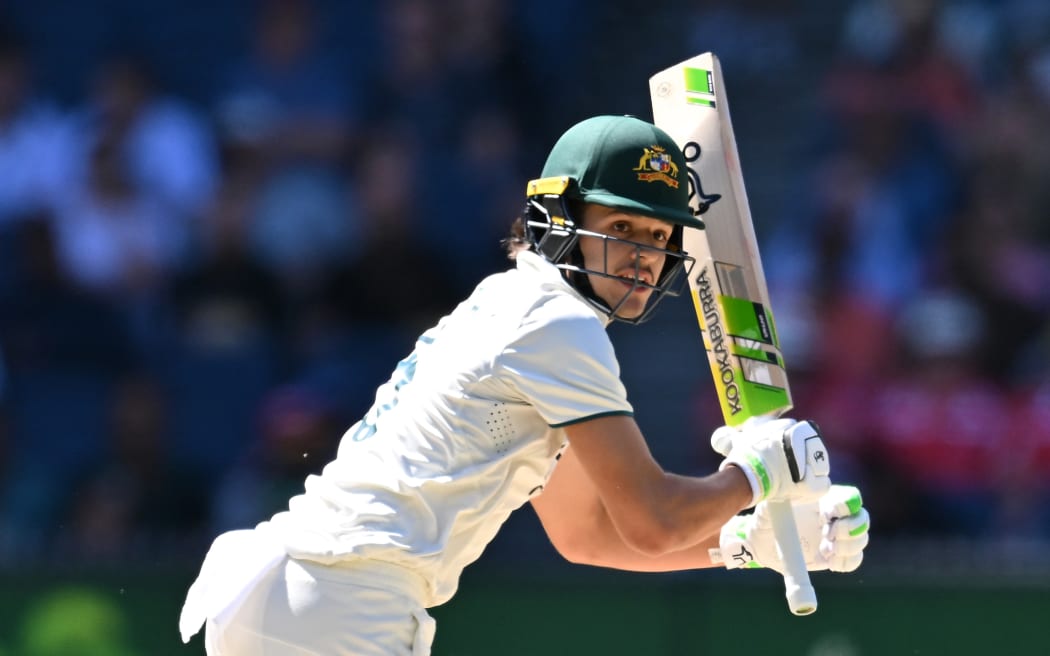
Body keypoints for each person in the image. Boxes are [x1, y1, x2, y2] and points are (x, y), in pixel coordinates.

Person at [179, 115, 870, 655]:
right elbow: (654, 519)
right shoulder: (555, 325)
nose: (642, 256)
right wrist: (757, 474)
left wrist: (753, 545)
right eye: (621, 226)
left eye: (658, 236)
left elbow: (591, 535)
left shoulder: (520, 307)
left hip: (306, 596)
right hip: (339, 601)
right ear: (557, 219)